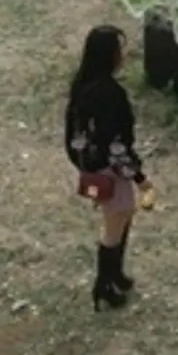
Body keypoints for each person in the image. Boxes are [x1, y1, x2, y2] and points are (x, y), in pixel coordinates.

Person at [65, 24, 151, 311]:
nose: (123, 56)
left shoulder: (82, 86)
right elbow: (116, 144)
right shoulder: (110, 94)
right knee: (115, 223)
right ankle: (104, 285)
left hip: (93, 168)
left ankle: (114, 276)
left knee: (119, 217)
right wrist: (139, 177)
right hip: (109, 170)